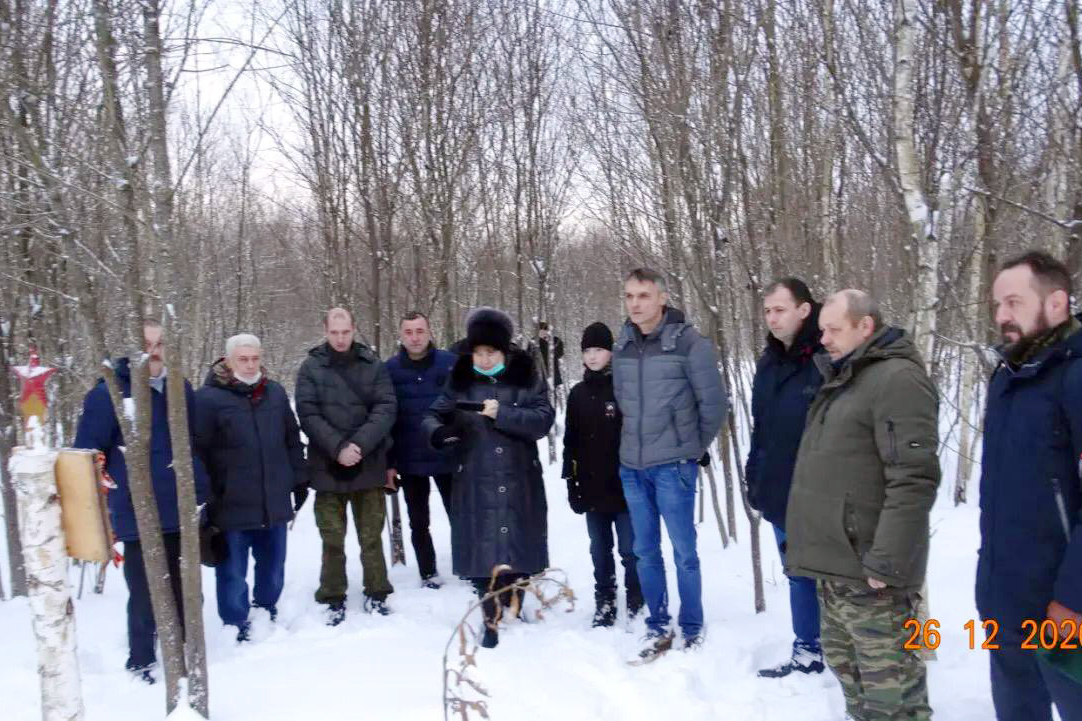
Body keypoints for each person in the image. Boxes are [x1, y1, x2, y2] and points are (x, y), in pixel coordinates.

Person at [786, 289, 938, 721]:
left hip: (875, 580)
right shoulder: (844, 378)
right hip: (837, 572)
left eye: (834, 329)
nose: (825, 339)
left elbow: (913, 478)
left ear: (865, 326)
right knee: (856, 695)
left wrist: (885, 563)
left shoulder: (897, 380)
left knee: (895, 704)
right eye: (821, 330)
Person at [73, 319, 208, 682]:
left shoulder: (180, 388)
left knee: (185, 589)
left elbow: (194, 442)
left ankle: (183, 656)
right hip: (137, 513)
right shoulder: (109, 395)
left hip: (181, 507)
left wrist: (201, 489)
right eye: (146, 345)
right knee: (146, 593)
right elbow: (86, 453)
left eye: (160, 344)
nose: (153, 352)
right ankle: (141, 660)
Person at [979, 250, 1082, 721]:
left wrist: (1073, 598)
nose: (1002, 316)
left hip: (1064, 605)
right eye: (998, 305)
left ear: (1057, 302)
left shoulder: (1076, 375)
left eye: (1014, 303)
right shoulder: (1010, 376)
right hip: (1008, 596)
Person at [612, 267, 726, 659]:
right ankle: (656, 622)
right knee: (644, 551)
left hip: (673, 465)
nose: (635, 304)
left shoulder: (689, 343)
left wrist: (691, 448)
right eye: (629, 296)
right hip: (632, 465)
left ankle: (692, 625)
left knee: (683, 552)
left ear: (662, 298)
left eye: (643, 296)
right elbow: (623, 402)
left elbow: (713, 404)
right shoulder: (623, 345)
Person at [423, 307, 554, 648]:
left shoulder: (526, 375)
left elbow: (542, 418)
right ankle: (489, 615)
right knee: (482, 546)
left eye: (490, 352)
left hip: (519, 475)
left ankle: (514, 601)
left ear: (503, 351)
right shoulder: (461, 378)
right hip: (475, 474)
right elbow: (434, 415)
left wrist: (505, 414)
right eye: (478, 352)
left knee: (516, 543)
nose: (483, 359)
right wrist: (439, 434)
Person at [193, 334, 307, 641]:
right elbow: (197, 451)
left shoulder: (275, 393)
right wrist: (205, 494)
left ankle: (266, 610)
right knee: (232, 573)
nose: (249, 365)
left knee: (272, 568)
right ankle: (236, 625)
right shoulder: (207, 399)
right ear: (228, 361)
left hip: (273, 500)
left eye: (255, 358)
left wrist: (299, 479)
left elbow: (291, 439)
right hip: (230, 505)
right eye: (242, 359)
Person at [295, 308, 398, 624]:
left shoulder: (372, 365)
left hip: (367, 465)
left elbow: (386, 407)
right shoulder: (311, 368)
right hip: (327, 466)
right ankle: (332, 594)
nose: (340, 338)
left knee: (371, 535)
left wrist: (359, 445)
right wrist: (338, 447)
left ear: (354, 329)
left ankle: (377, 591)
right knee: (332, 537)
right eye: (334, 332)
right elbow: (308, 413)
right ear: (325, 331)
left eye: (345, 332)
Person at [745, 278, 825, 677]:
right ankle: (807, 649)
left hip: (823, 492)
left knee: (832, 577)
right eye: (767, 311)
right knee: (797, 574)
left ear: (804, 310)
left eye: (779, 309)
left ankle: (849, 654)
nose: (771, 318)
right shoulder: (769, 360)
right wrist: (754, 473)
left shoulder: (828, 355)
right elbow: (762, 424)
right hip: (780, 489)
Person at [563, 321, 643, 627]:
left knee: (629, 550)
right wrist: (572, 482)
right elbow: (570, 440)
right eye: (587, 350)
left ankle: (636, 599)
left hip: (625, 486)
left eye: (598, 349)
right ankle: (605, 602)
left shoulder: (623, 389)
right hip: (592, 487)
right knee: (599, 550)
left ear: (610, 353)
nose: (593, 356)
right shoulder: (577, 394)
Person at [384, 311, 456, 588]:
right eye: (409, 332)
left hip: (447, 454)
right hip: (409, 458)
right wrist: (388, 463)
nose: (415, 338)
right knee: (418, 521)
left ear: (429, 332)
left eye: (420, 331)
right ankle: (428, 573)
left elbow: (463, 408)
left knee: (459, 517)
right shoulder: (389, 370)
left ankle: (468, 566)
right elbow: (386, 419)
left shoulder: (450, 364)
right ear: (401, 335)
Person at [532, 321, 565, 389]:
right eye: (540, 331)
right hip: (539, 374)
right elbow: (529, 357)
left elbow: (560, 354)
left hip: (554, 373)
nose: (543, 333)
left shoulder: (555, 340)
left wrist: (547, 343)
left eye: (545, 330)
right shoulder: (533, 342)